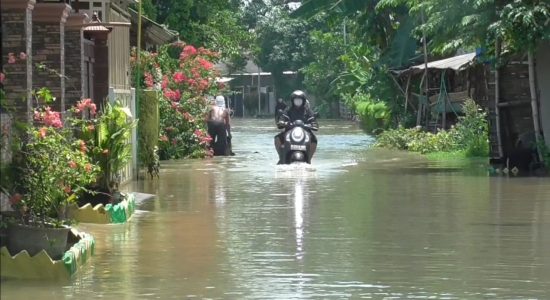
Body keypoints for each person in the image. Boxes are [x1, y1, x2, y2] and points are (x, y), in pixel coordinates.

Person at [274, 90, 318, 163]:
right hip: (289, 132)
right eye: (296, 100)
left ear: (303, 101)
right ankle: (281, 157)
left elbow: (314, 122)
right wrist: (283, 123)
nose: (298, 102)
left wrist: (311, 125)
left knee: (314, 140)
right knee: (277, 138)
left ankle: (309, 159)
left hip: (305, 133)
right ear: (293, 101)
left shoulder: (308, 111)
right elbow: (281, 119)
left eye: (299, 100)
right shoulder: (288, 110)